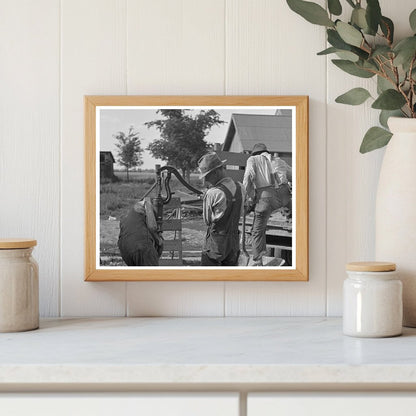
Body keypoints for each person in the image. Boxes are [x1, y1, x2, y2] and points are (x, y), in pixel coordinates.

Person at [243, 143, 288, 266]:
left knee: (257, 230)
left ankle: (258, 262)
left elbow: (248, 177)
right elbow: (292, 175)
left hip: (266, 198)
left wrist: (246, 196)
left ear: (254, 153)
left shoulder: (252, 160)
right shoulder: (278, 160)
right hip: (284, 196)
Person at [198, 152, 244, 266]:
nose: (206, 181)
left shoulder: (213, 193)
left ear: (216, 172)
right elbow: (241, 212)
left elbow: (207, 221)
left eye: (207, 176)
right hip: (234, 243)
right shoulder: (240, 187)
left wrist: (207, 199)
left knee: (209, 279)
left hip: (216, 243)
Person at [118, 197, 163, 266]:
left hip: (124, 250)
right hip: (141, 247)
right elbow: (152, 227)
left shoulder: (130, 213)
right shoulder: (147, 204)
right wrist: (159, 240)